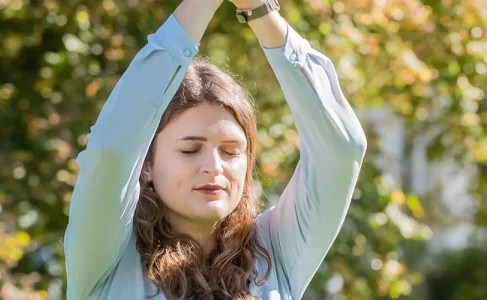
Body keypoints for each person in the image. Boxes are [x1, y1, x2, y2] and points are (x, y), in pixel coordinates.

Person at [64, 0, 367, 299]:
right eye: (190, 150)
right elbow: (110, 153)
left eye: (231, 151)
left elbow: (341, 150)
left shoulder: (276, 250)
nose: (214, 166)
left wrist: (259, 9)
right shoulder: (107, 257)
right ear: (146, 164)